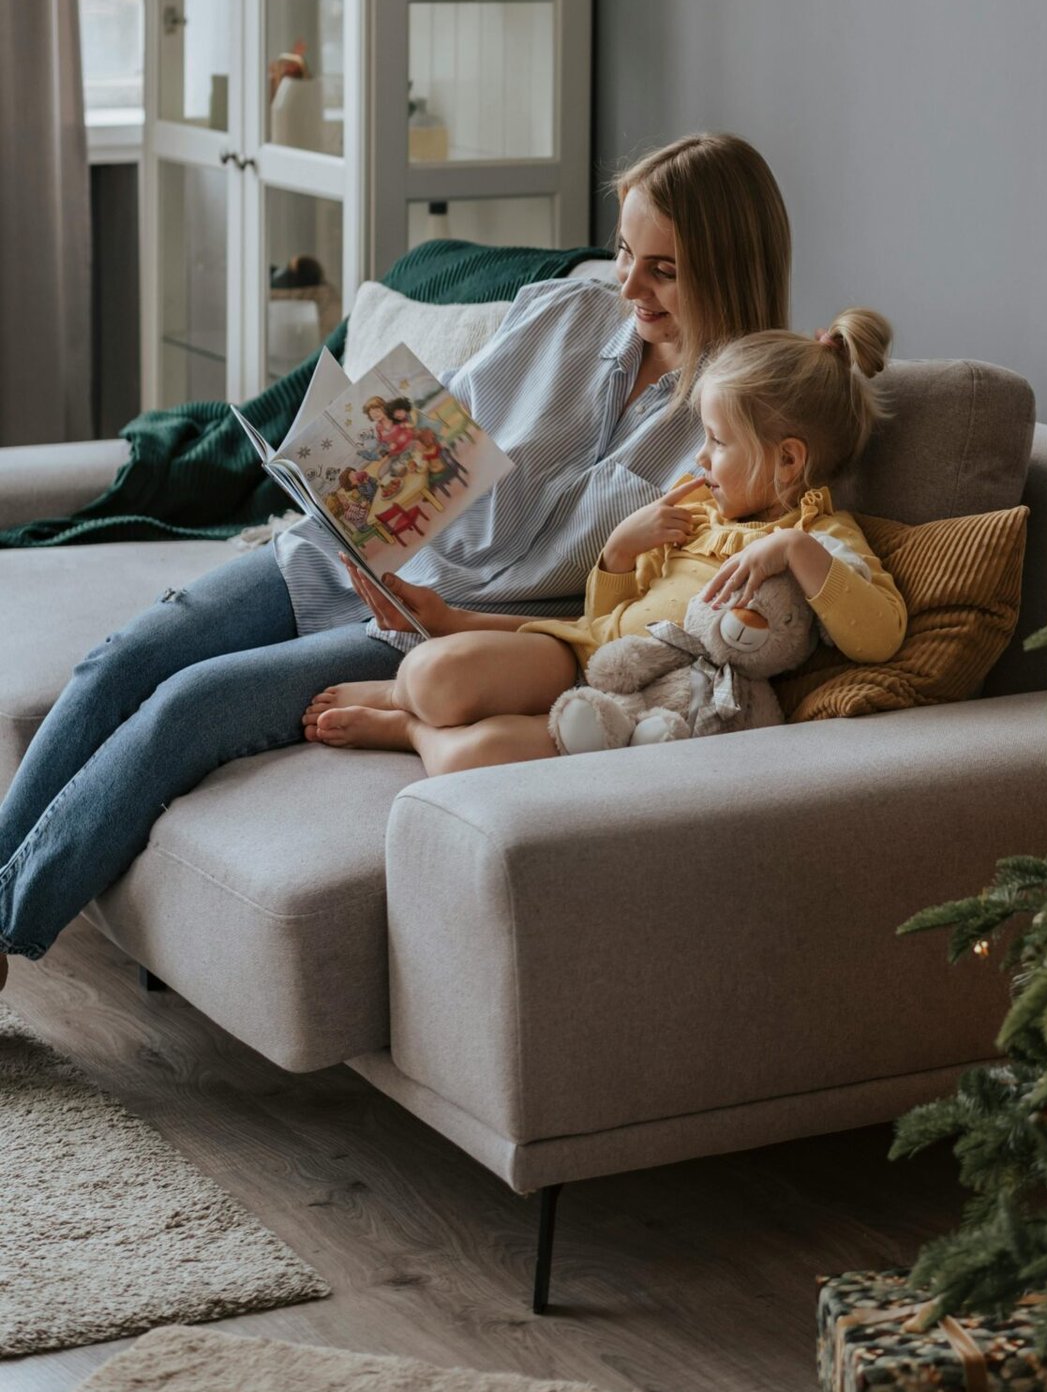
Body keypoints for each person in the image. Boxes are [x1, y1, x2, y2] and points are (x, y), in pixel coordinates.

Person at [0, 134, 791, 984]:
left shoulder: (735, 426)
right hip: (347, 555)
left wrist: (449, 617)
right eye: (627, 253)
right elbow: (432, 425)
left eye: (662, 271)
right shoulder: (566, 314)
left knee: (189, 704)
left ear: (729, 268)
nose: (628, 285)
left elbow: (628, 618)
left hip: (434, 633)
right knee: (121, 662)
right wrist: (342, 472)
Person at [304, 312, 906, 770]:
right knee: (433, 673)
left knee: (466, 759)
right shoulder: (693, 511)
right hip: (584, 658)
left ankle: (408, 728)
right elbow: (604, 620)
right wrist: (619, 551)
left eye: (718, 442)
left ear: (789, 460)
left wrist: (795, 551)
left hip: (652, 708)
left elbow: (880, 635)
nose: (701, 456)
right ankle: (401, 693)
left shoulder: (823, 538)